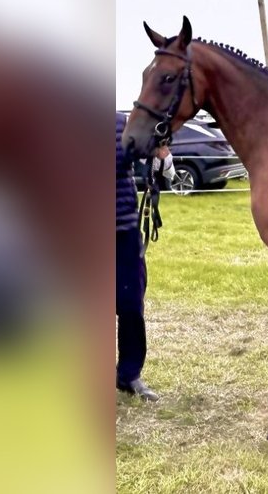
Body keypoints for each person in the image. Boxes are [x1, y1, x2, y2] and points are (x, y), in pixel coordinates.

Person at [116, 111, 158, 401]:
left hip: (124, 230)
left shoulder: (122, 124)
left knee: (131, 305)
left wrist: (160, 154)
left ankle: (129, 375)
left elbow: (151, 157)